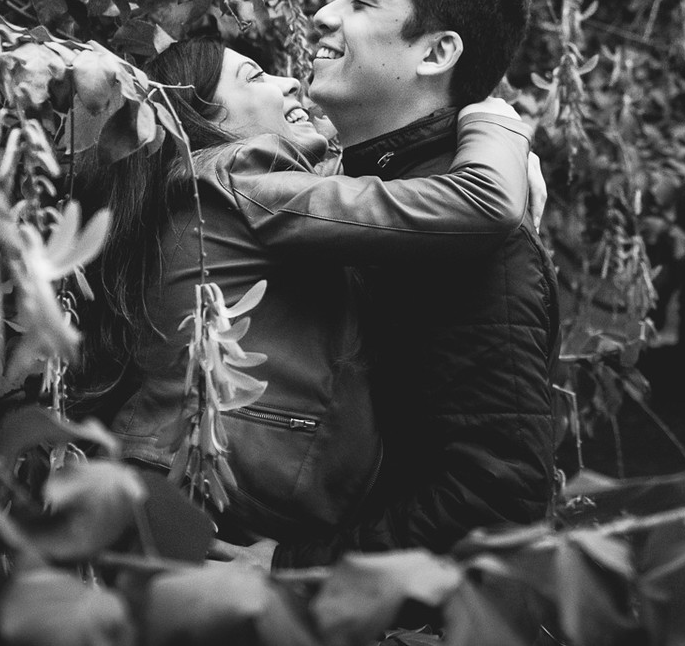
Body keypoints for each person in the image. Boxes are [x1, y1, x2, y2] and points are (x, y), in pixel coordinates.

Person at [73, 37, 536, 551]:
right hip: (211, 493)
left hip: (181, 486)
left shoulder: (206, 191)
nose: (290, 81)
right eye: (254, 77)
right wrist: (497, 124)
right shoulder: (238, 177)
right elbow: (484, 201)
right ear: (206, 119)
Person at [262, 0, 560, 567]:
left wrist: (296, 567)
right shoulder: (383, 189)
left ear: (435, 52)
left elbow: (499, 495)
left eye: (360, 0)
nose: (322, 14)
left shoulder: (475, 244)